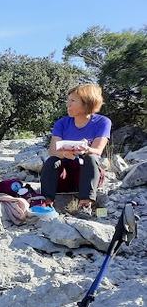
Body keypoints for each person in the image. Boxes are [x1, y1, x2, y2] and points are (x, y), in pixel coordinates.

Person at [40, 84, 111, 218]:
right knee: (52, 161)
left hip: (87, 174)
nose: (68, 104)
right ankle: (46, 202)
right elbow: (53, 150)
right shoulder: (62, 123)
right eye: (68, 100)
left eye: (72, 101)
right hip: (65, 175)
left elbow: (97, 150)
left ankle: (85, 205)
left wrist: (86, 149)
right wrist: (64, 154)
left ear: (87, 102)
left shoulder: (103, 122)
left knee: (91, 157)